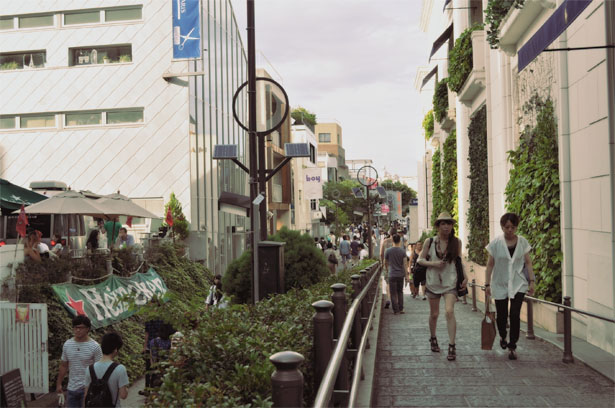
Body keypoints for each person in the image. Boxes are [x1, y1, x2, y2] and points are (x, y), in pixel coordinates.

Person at [485, 212, 535, 360]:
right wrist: (487, 284)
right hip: (500, 283)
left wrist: (531, 281)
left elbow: (528, 262)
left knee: (514, 314)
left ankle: (512, 344)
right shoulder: (495, 244)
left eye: (513, 227)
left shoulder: (523, 242)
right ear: (502, 227)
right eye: (507, 227)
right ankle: (502, 336)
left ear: (516, 227)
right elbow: (489, 265)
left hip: (518, 283)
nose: (510, 230)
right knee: (501, 316)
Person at [417, 212, 467, 361]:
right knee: (434, 314)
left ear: (452, 226)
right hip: (433, 282)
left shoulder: (456, 242)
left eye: (449, 223)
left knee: (449, 311)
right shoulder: (430, 242)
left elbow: (458, 261)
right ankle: (433, 338)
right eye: (443, 224)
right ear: (438, 226)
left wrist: (464, 277)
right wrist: (433, 264)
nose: (446, 227)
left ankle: (452, 346)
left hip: (450, 282)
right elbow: (420, 260)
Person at [56, 315, 103, 408]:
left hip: (88, 389)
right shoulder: (67, 344)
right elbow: (64, 366)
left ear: (88, 329)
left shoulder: (95, 346)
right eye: (75, 327)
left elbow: (100, 369)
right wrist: (59, 384)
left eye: (81, 328)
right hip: (71, 389)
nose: (77, 330)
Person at [84, 332, 129, 407]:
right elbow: (123, 395)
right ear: (115, 350)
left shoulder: (89, 369)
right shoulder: (120, 368)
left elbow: (86, 394)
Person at [384, 234, 409, 315]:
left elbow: (385, 262)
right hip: (400, 274)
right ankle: (401, 308)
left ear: (392, 241)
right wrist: (406, 276)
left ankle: (395, 310)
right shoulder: (402, 251)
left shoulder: (388, 251)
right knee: (400, 292)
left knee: (393, 293)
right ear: (400, 241)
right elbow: (405, 264)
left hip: (391, 274)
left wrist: (387, 269)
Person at [379, 228, 396, 309]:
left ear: (390, 233)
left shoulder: (385, 241)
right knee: (396, 283)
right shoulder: (397, 241)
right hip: (396, 265)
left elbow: (381, 253)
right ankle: (395, 300)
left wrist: (382, 262)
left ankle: (389, 298)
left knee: (388, 283)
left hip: (387, 265)